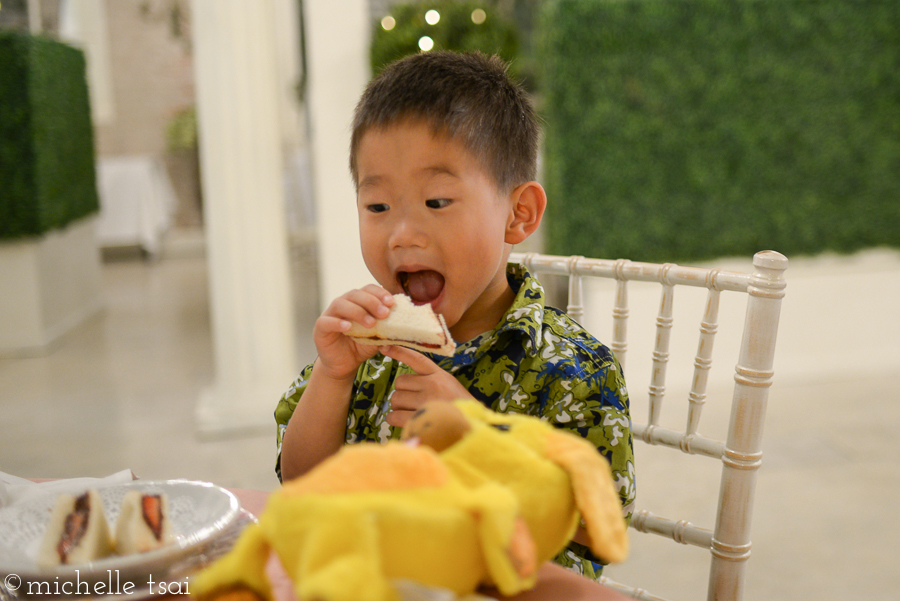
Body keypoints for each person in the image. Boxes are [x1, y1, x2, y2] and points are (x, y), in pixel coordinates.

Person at [274, 51, 634, 578]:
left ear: (518, 214)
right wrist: (332, 375)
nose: (401, 234)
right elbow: (301, 482)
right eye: (377, 207)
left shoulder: (574, 370)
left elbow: (602, 531)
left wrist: (482, 439)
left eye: (437, 201)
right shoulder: (369, 357)